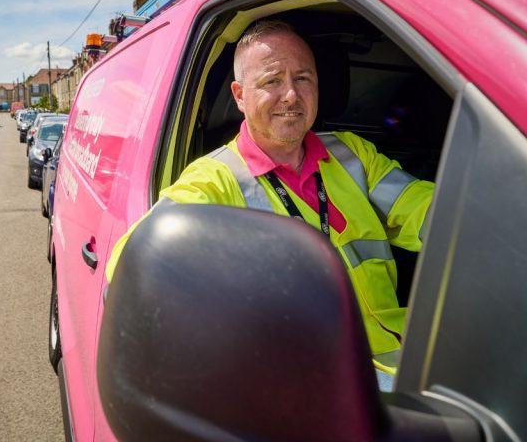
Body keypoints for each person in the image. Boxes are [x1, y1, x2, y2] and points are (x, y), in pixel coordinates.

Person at [106, 20, 434, 390]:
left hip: (414, 361)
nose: (291, 95)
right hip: (310, 390)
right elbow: (135, 262)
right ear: (240, 95)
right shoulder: (214, 180)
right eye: (272, 81)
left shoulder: (351, 152)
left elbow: (432, 214)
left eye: (303, 78)